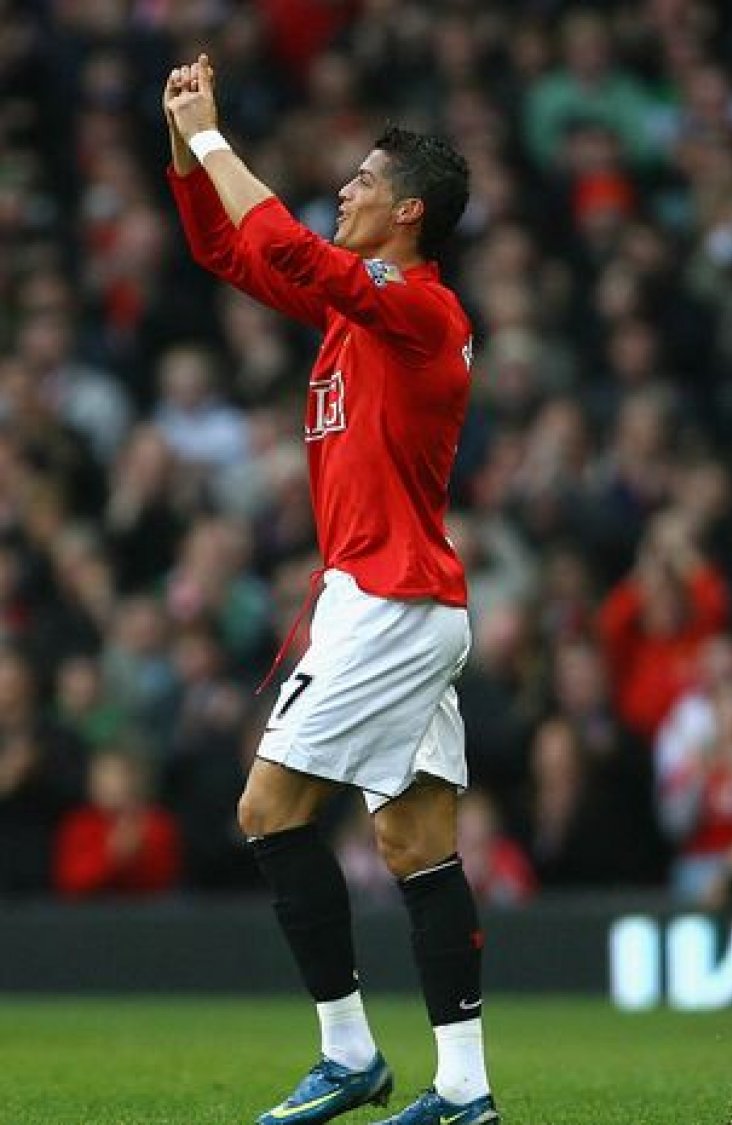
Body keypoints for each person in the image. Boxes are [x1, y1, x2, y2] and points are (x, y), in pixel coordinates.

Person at [164, 53, 498, 1125]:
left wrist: (215, 139)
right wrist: (183, 145)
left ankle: (349, 1055)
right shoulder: (361, 316)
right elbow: (228, 248)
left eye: (361, 181)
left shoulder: (421, 312)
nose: (342, 191)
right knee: (414, 843)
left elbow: (284, 243)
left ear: (408, 212)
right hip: (398, 602)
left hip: (391, 602)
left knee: (268, 810)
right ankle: (465, 1089)